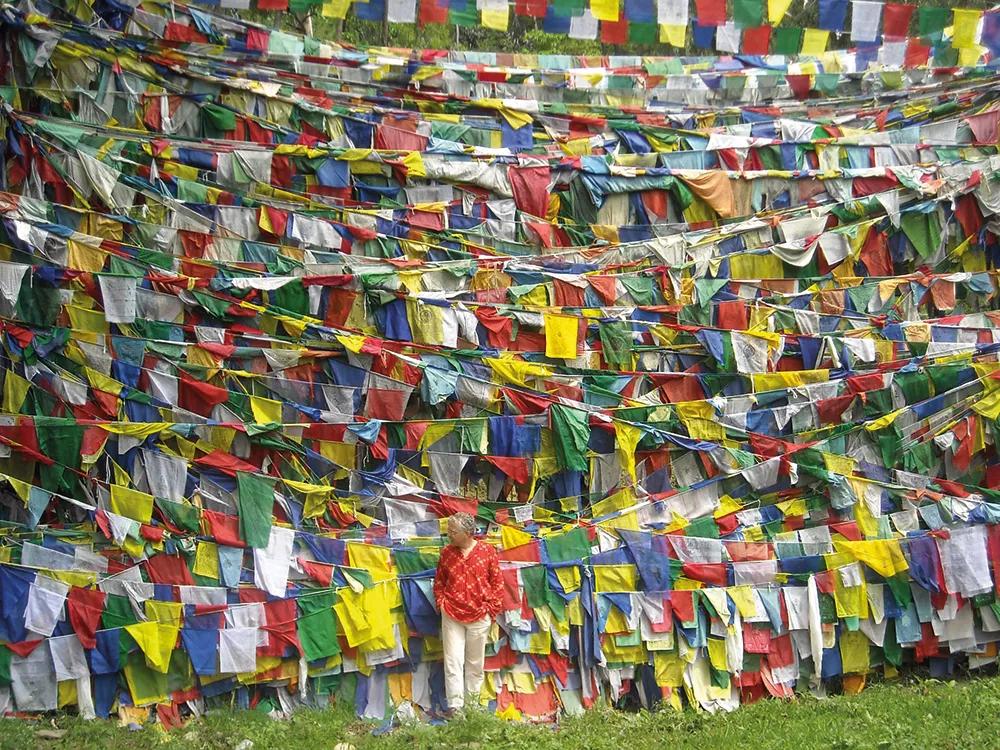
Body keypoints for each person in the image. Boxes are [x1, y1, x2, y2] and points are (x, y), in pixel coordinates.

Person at [432, 512, 503, 714]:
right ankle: (455, 707)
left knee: (475, 663)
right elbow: (439, 582)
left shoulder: (487, 551)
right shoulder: (447, 553)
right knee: (452, 660)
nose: (449, 535)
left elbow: (497, 583)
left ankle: (471, 706)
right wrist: (442, 602)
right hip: (452, 614)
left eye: (453, 531)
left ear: (468, 533)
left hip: (480, 614)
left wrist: (491, 609)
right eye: (449, 531)